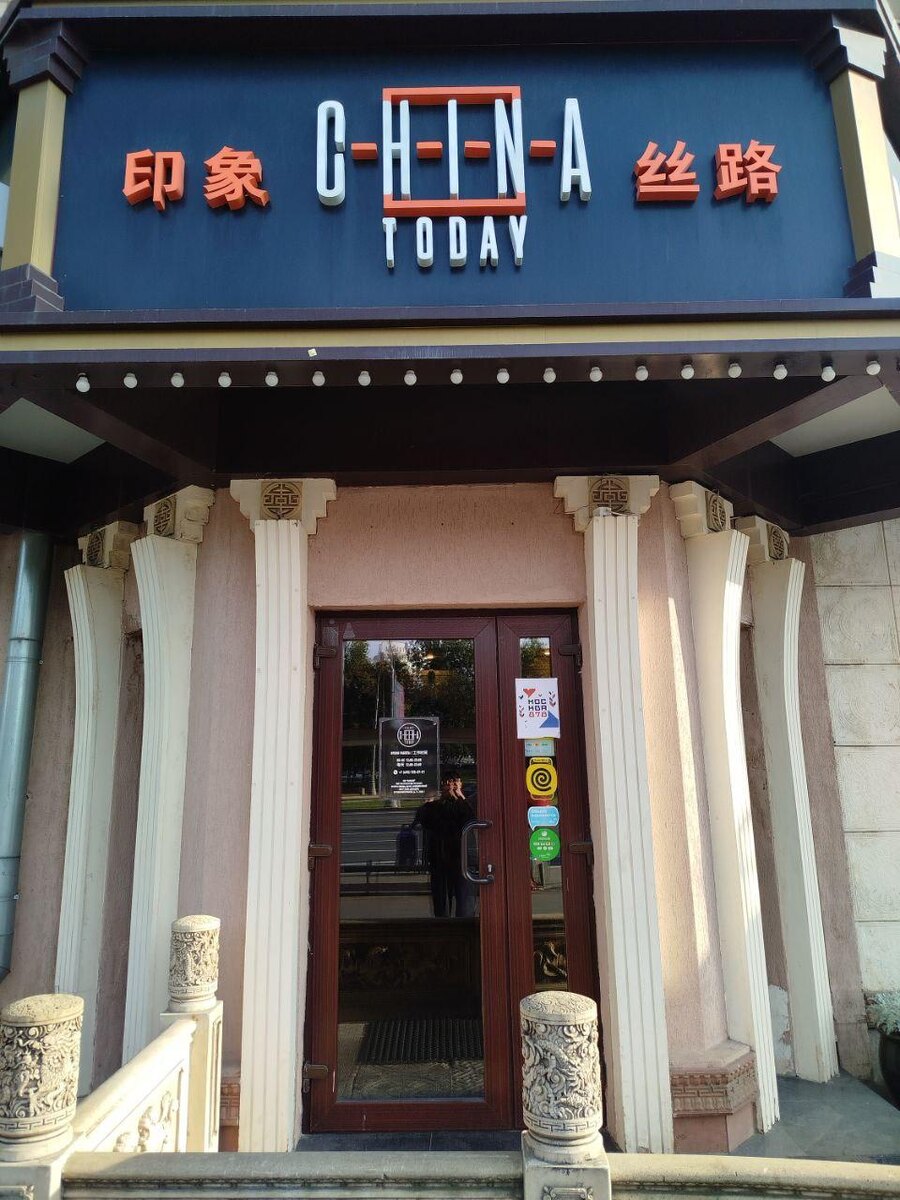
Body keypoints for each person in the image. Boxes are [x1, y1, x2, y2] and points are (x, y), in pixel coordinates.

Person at [413, 771, 476, 918]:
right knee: (441, 906)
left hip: (462, 860)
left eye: (454, 782)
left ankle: (463, 926)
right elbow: (423, 820)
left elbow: (471, 820)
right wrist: (430, 800)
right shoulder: (435, 806)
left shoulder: (466, 803)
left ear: (461, 784)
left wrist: (459, 796)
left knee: (464, 904)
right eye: (447, 782)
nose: (451, 786)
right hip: (440, 859)